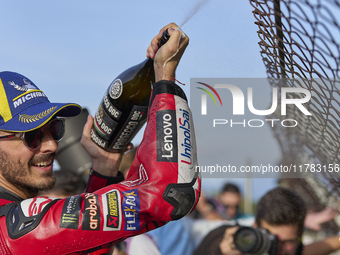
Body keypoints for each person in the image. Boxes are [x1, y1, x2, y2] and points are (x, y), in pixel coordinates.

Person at [0, 22, 201, 254]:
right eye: (31, 135)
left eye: (54, 129)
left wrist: (104, 169)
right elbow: (172, 193)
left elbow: (84, 247)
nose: (52, 144)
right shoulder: (12, 232)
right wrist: (165, 78)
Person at [218, 187, 340, 255]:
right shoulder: (236, 242)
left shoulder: (292, 250)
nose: (279, 250)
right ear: (255, 227)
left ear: (300, 235)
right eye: (272, 239)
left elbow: (308, 250)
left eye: (288, 242)